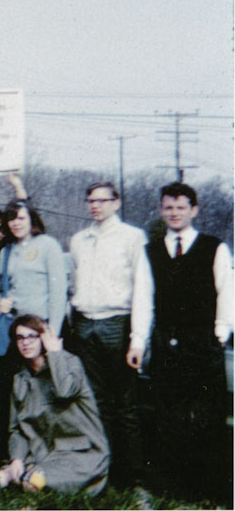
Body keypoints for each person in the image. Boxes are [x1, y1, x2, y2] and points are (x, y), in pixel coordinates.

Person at [135, 182, 233, 501]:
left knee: (208, 416)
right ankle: (174, 489)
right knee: (168, 417)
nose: (174, 213)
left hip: (204, 343)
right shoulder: (150, 252)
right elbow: (143, 299)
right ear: (161, 211)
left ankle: (212, 489)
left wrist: (220, 333)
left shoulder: (213, 247)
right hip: (165, 344)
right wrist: (138, 341)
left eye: (180, 207)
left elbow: (227, 293)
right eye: (168, 207)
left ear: (194, 210)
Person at [68, 181, 148, 486]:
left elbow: (142, 289)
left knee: (124, 403)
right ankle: (105, 469)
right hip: (84, 323)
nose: (95, 206)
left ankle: (132, 475)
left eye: (102, 200)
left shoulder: (132, 237)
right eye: (91, 200)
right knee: (95, 401)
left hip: (117, 323)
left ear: (116, 203)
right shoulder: (79, 239)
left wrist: (137, 337)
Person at [0, 314, 109, 495]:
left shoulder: (70, 363)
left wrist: (55, 352)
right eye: (20, 337)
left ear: (45, 339)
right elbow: (17, 429)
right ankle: (21, 470)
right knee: (2, 480)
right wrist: (16, 459)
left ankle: (27, 476)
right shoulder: (21, 380)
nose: (26, 342)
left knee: (33, 483)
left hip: (81, 454)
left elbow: (65, 391)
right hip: (44, 454)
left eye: (32, 336)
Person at [0, 200, 67, 334]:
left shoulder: (48, 244)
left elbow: (58, 293)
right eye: (11, 219)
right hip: (15, 326)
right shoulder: (5, 252)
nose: (16, 223)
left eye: (21, 218)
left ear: (31, 219)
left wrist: (53, 331)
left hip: (41, 325)